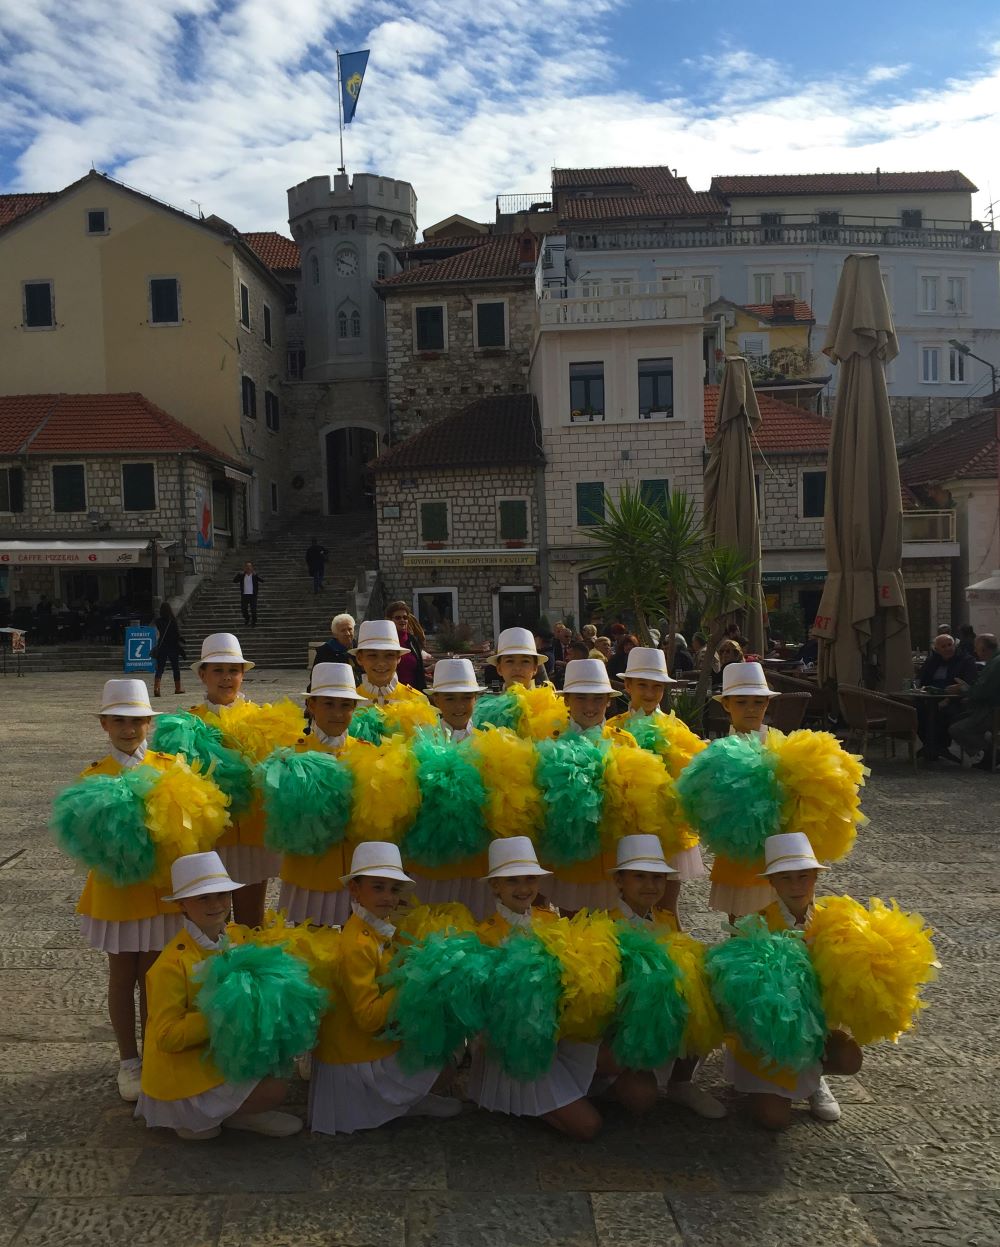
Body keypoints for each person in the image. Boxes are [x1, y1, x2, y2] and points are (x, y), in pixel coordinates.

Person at [470, 838, 656, 1141]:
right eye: (512, 881)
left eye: (530, 879)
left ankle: (568, 1092)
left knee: (638, 1090)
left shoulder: (550, 920)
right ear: (495, 887)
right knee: (588, 1128)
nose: (523, 888)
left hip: (558, 1036)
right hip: (516, 1049)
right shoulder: (484, 935)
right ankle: (514, 1100)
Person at [136, 851, 302, 1140]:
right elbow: (166, 1036)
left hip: (222, 1051)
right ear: (181, 906)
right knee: (272, 1088)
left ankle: (236, 1112)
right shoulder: (170, 965)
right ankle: (216, 1112)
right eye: (203, 898)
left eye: (222, 895)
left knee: (281, 1069)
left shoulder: (235, 937)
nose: (216, 905)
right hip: (185, 1070)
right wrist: (219, 1012)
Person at [308, 842, 463, 1134]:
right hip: (354, 1054)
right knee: (443, 1063)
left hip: (363, 1043)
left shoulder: (373, 927)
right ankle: (402, 1101)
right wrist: (411, 978)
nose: (388, 898)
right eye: (378, 888)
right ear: (355, 889)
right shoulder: (357, 943)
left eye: (393, 890)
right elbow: (367, 1018)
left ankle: (404, 1099)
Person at [73, 679, 180, 1102]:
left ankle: (154, 1051)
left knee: (155, 975)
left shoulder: (170, 767)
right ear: (104, 724)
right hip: (117, 893)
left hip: (159, 890)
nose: (129, 728)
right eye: (119, 719)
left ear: (150, 722)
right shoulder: (93, 776)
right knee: (122, 976)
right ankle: (127, 1060)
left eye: (136, 720)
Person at [723, 833, 863, 1130]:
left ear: (815, 877)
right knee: (773, 1120)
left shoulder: (835, 923)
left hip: (817, 1029)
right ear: (772, 883)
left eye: (804, 876)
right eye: (785, 878)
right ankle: (765, 1085)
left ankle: (814, 1080)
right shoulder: (755, 926)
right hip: (768, 1038)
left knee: (850, 1057)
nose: (796, 885)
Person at [606, 835, 725, 1119]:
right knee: (641, 1100)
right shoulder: (605, 924)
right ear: (619, 881)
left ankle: (681, 1081)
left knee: (710, 986)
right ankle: (606, 1083)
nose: (650, 885)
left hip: (665, 1017)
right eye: (640, 877)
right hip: (624, 1029)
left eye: (658, 878)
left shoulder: (666, 919)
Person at [190, 633, 277, 929]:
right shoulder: (188, 723)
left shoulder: (263, 719)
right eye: (218, 670)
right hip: (212, 838)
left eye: (233, 671)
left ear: (242, 675)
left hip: (252, 835)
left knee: (252, 923)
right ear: (203, 675)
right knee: (213, 926)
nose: (226, 678)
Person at [607, 646, 706, 900]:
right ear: (627, 685)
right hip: (627, 826)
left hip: (669, 827)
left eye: (657, 686)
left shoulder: (677, 727)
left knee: (667, 902)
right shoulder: (613, 728)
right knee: (625, 900)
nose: (650, 693)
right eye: (642, 685)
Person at [278, 663, 367, 928]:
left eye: (346, 706)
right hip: (309, 875)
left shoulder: (370, 755)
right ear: (312, 706)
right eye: (329, 704)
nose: (338, 714)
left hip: (356, 874)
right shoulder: (291, 756)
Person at [709, 662, 782, 919]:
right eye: (741, 702)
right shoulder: (716, 751)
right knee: (739, 921)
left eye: (758, 702)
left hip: (776, 851)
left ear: (767, 704)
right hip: (736, 855)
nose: (751, 709)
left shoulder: (780, 746)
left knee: (779, 920)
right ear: (726, 704)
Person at [548, 659, 619, 911]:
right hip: (570, 860)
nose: (590, 706)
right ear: (566, 700)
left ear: (609, 701)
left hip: (612, 858)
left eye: (598, 699)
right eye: (581, 698)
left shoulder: (625, 742)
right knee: (571, 923)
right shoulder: (550, 744)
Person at [916, 634, 978, 760]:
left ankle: (940, 747)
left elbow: (969, 684)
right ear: (937, 650)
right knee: (917, 711)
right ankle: (929, 745)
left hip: (956, 700)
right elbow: (922, 681)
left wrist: (948, 698)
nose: (948, 648)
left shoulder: (966, 660)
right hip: (931, 698)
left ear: (954, 645)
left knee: (944, 713)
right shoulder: (932, 661)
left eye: (950, 645)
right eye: (943, 646)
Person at [945, 633, 1000, 769]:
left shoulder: (995, 664)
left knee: (957, 728)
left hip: (992, 711)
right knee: (956, 719)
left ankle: (992, 753)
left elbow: (982, 691)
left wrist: (963, 689)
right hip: (988, 708)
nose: (974, 651)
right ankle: (991, 752)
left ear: (983, 649)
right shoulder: (994, 662)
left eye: (976, 648)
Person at [351, 620, 432, 707]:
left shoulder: (416, 700)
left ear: (398, 658)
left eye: (389, 655)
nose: (381, 663)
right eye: (372, 655)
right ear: (359, 658)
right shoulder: (350, 702)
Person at [488, 626, 551, 691]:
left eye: (525, 661)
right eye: (510, 661)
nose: (517, 668)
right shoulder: (488, 701)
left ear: (535, 668)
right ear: (499, 668)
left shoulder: (548, 701)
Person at [387, 600, 427, 692]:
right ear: (389, 620)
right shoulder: (386, 642)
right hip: (391, 694)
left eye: (405, 617)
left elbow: (419, 670)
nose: (402, 620)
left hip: (413, 693)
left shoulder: (412, 640)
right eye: (398, 618)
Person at [153, 601, 185, 698]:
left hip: (162, 647)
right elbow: (176, 634)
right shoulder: (172, 621)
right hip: (172, 647)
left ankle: (156, 688)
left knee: (160, 668)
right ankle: (177, 688)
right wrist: (181, 640)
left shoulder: (158, 621)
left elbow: (161, 632)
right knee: (175, 668)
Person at [233, 561, 261, 627]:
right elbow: (234, 581)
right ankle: (247, 618)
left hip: (252, 596)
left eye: (249, 566)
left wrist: (256, 575)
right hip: (244, 595)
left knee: (253, 610)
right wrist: (239, 574)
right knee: (243, 609)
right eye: (247, 566)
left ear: (252, 567)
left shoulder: (254, 575)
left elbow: (262, 580)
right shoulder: (241, 575)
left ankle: (254, 621)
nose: (248, 568)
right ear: (245, 568)